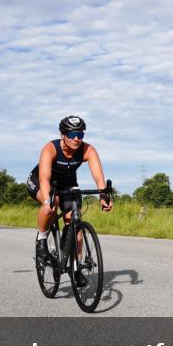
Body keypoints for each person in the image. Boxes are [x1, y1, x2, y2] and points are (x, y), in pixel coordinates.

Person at [27, 116, 112, 286]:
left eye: (80, 134)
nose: (77, 138)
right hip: (40, 181)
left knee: (76, 230)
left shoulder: (88, 150)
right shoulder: (50, 149)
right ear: (63, 134)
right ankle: (42, 239)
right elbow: (44, 178)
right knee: (54, 201)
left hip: (68, 184)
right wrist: (47, 201)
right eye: (72, 134)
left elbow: (98, 176)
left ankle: (75, 269)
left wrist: (103, 196)